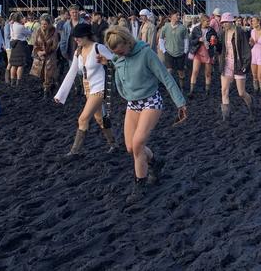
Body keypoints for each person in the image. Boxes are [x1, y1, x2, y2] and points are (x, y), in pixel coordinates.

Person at [104, 27, 187, 203]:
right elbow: (119, 67)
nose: (120, 55)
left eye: (121, 51)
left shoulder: (146, 53)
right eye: (116, 53)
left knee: (138, 144)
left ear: (128, 43)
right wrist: (109, 62)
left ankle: (139, 186)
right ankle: (155, 162)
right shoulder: (119, 57)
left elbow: (165, 77)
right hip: (133, 103)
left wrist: (180, 103)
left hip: (151, 101)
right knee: (130, 148)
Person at [55, 24, 118, 155]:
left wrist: (107, 62)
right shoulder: (78, 51)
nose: (76, 39)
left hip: (100, 88)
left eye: (78, 37)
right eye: (74, 37)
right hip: (88, 89)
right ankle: (113, 144)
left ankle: (74, 151)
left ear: (86, 35)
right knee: (100, 119)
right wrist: (60, 94)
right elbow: (72, 72)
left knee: (83, 119)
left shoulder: (98, 47)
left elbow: (116, 62)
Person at [218, 12, 253, 121]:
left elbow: (246, 50)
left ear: (231, 21)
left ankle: (252, 108)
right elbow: (221, 49)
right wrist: (214, 44)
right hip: (226, 63)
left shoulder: (240, 32)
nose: (224, 25)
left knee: (241, 93)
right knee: (224, 91)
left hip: (238, 64)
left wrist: (246, 65)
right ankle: (226, 118)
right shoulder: (223, 33)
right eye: (223, 22)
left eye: (226, 22)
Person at [30, 14, 60, 98]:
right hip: (39, 56)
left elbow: (55, 46)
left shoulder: (54, 32)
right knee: (41, 73)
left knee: (48, 73)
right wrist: (38, 51)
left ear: (49, 24)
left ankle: (46, 91)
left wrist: (45, 52)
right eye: (42, 24)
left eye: (45, 24)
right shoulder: (38, 31)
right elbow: (35, 43)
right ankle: (47, 87)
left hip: (50, 56)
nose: (43, 26)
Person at [188, 14, 216, 98]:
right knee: (195, 71)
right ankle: (191, 91)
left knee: (207, 73)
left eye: (209, 21)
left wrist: (214, 41)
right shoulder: (196, 29)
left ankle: (207, 91)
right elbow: (191, 41)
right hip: (198, 51)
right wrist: (198, 40)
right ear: (202, 21)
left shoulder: (211, 30)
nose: (209, 23)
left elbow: (216, 41)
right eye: (207, 21)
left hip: (208, 52)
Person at [159, 11, 188, 90]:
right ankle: (170, 87)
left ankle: (182, 87)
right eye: (177, 15)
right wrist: (163, 50)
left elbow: (186, 39)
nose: (178, 16)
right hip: (168, 52)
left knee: (180, 72)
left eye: (179, 15)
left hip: (180, 52)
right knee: (169, 71)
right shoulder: (165, 27)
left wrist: (185, 50)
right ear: (171, 17)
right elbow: (161, 38)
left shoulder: (183, 27)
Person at [8, 13, 32, 87]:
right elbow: (28, 33)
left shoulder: (11, 25)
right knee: (20, 65)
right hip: (20, 45)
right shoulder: (21, 27)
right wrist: (28, 28)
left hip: (14, 45)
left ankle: (12, 81)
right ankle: (18, 81)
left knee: (13, 65)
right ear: (19, 18)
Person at [250, 16, 261, 95]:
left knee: (260, 75)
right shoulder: (252, 31)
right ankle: (255, 90)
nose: (252, 22)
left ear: (259, 22)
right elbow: (252, 43)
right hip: (253, 53)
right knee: (254, 75)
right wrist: (251, 42)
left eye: (253, 21)